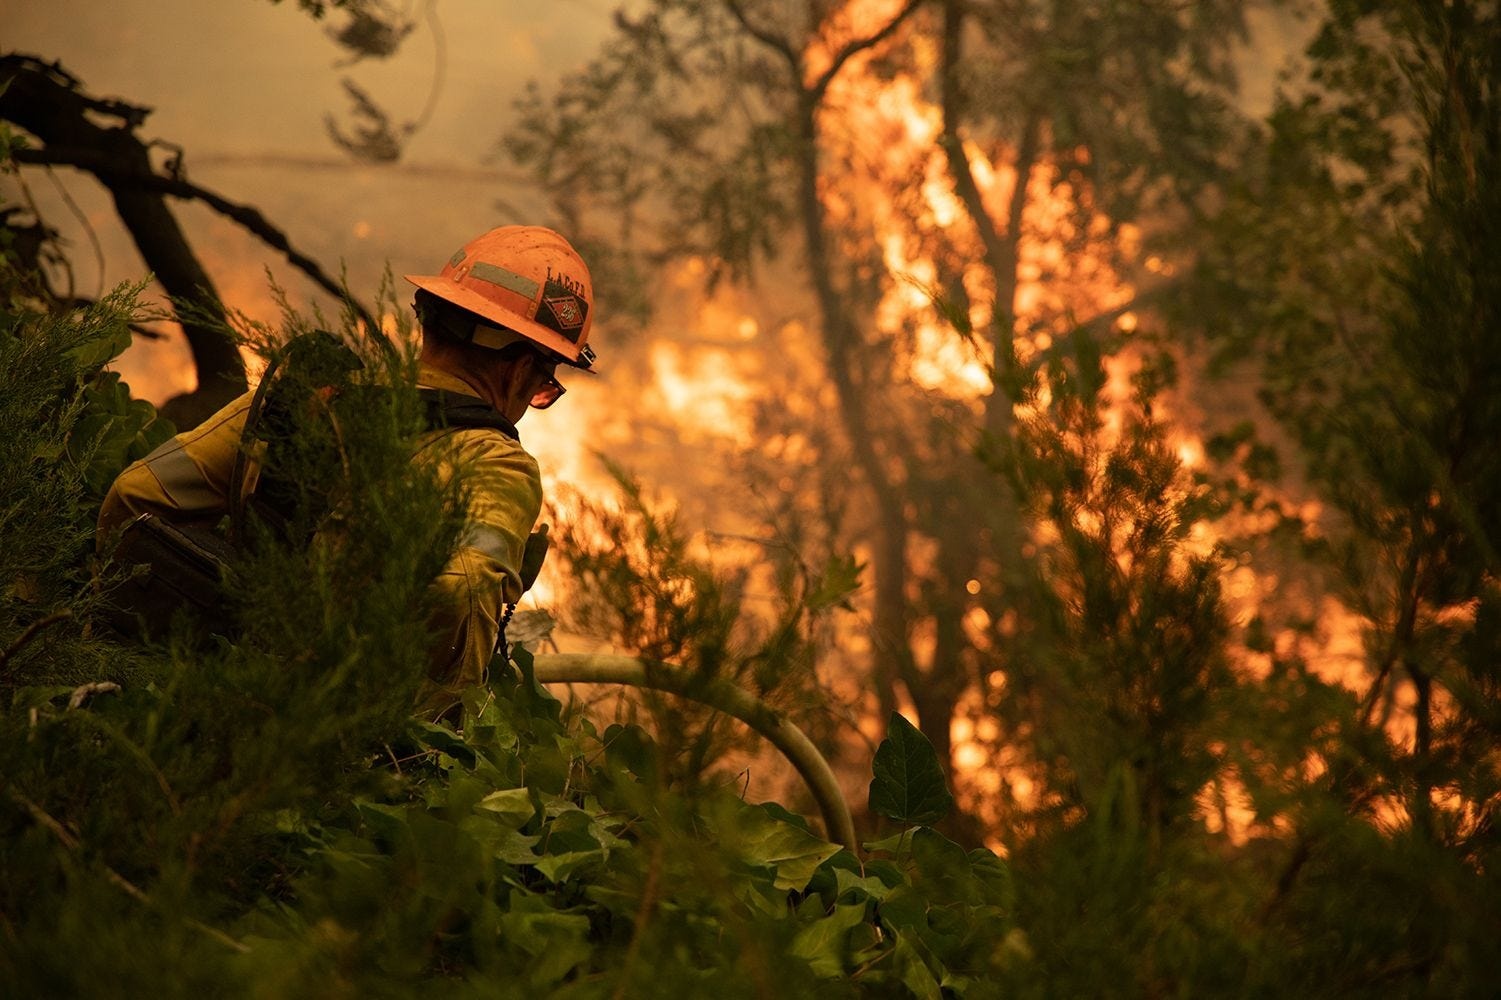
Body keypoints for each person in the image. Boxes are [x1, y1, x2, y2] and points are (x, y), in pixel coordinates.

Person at [97, 224, 598, 715]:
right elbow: (457, 593)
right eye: (543, 385)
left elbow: (136, 494)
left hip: (188, 705)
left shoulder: (298, 401)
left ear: (432, 318)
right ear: (518, 368)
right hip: (341, 754)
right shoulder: (495, 463)